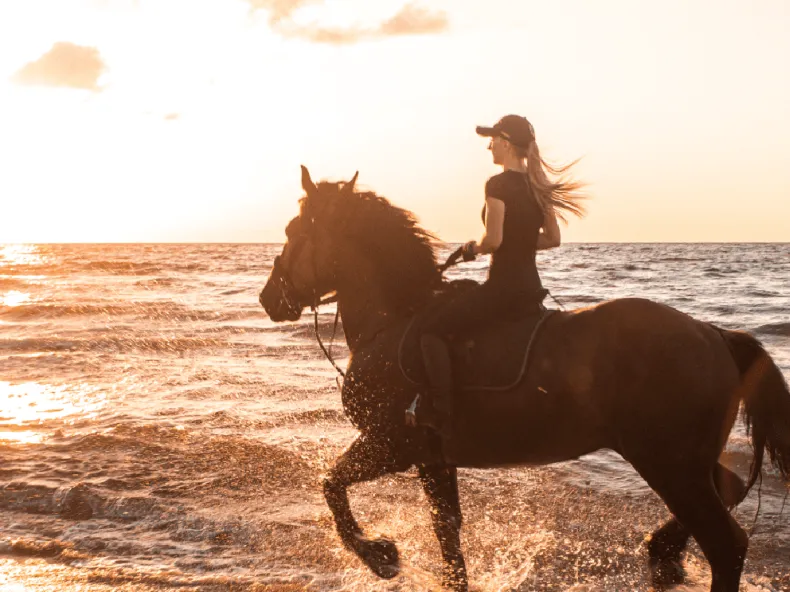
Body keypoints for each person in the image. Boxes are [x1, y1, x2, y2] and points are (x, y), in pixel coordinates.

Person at [418, 114, 587, 464]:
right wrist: (521, 242)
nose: (489, 145)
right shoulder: (540, 186)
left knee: (431, 329)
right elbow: (553, 240)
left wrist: (472, 248)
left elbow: (493, 240)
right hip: (531, 290)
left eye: (493, 139)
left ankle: (441, 416)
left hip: (503, 290)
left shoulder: (497, 185)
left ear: (506, 144)